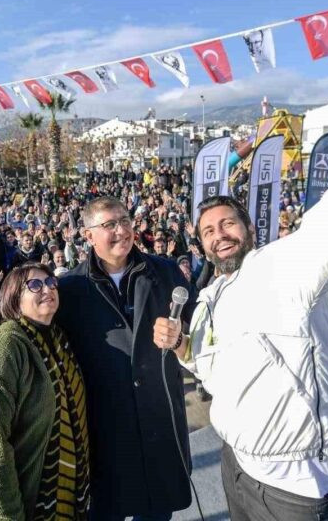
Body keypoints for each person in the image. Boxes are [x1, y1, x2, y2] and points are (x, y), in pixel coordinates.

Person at [165, 154, 328, 521]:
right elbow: (205, 366)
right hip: (236, 465)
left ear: (249, 228)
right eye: (208, 232)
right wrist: (181, 345)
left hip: (295, 488)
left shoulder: (285, 267)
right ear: (201, 246)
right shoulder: (209, 301)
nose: (219, 235)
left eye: (227, 223)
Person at [56, 196, 193, 520]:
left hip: (158, 420)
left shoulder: (165, 272)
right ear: (88, 236)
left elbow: (199, 326)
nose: (122, 230)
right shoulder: (71, 288)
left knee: (158, 511)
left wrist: (180, 338)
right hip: (105, 431)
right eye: (109, 225)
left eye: (125, 221)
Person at [0, 263, 89, 521]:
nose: (47, 289)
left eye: (50, 283)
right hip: (10, 501)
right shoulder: (5, 348)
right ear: (14, 299)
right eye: (35, 285)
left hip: (55, 489)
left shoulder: (57, 336)